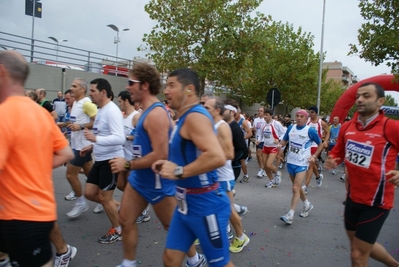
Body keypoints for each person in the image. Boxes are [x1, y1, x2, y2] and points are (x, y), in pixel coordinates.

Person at [110, 64, 205, 267]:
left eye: (131, 83)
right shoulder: (145, 111)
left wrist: (127, 164)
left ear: (144, 85)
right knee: (125, 220)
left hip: (159, 184)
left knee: (173, 228)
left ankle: (195, 259)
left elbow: (160, 154)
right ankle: (128, 263)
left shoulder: (156, 113)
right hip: (139, 180)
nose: (128, 87)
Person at [0, 51, 75, 266]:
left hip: (19, 217)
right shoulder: (39, 113)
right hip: (39, 212)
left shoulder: (4, 114)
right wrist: (34, 167)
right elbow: (65, 153)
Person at [153, 68, 234, 267]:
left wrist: (179, 171)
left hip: (205, 205)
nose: (166, 91)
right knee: (170, 260)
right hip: (185, 205)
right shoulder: (183, 118)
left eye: (171, 85)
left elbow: (216, 157)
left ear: (189, 90)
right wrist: (167, 164)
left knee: (220, 264)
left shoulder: (195, 117)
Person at [325, 82, 399, 267]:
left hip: (377, 202)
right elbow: (338, 152)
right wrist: (333, 158)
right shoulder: (347, 127)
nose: (359, 99)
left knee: (358, 255)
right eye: (358, 95)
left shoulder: (391, 127)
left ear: (380, 101)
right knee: (360, 247)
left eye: (366, 96)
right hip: (352, 198)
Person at [81, 78, 125, 244]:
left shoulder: (112, 111)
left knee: (105, 198)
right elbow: (104, 135)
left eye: (92, 91)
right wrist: (91, 146)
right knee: (90, 193)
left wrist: (96, 139)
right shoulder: (101, 110)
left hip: (111, 160)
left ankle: (118, 230)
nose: (90, 93)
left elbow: (120, 138)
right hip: (99, 159)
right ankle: (118, 206)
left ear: (103, 92)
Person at [204, 97, 250, 253]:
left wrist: (209, 158)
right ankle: (219, 232)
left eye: (207, 108)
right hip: (214, 175)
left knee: (228, 209)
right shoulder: (212, 125)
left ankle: (241, 236)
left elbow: (230, 153)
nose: (204, 110)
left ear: (217, 110)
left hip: (223, 175)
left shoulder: (223, 127)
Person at [277, 109, 324, 225]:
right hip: (291, 162)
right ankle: (307, 204)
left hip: (302, 163)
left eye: (301, 116)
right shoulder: (291, 128)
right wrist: (279, 145)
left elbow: (321, 144)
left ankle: (290, 214)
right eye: (297, 116)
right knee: (296, 187)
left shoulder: (310, 130)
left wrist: (314, 156)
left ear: (306, 118)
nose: (298, 118)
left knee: (295, 188)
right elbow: (284, 141)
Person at [64, 78, 99, 217]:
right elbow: (77, 122)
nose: (71, 88)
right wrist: (65, 125)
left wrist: (81, 126)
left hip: (82, 147)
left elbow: (98, 121)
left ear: (82, 89)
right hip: (79, 144)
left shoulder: (86, 103)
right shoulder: (77, 103)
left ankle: (81, 202)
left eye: (74, 86)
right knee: (92, 176)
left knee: (70, 175)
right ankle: (103, 200)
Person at [116, 90, 150, 224]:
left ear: (125, 101)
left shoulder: (136, 117)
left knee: (133, 186)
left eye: (120, 101)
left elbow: (144, 135)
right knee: (120, 185)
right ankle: (136, 204)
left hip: (133, 158)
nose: (119, 104)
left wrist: (129, 137)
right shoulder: (123, 117)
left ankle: (143, 210)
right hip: (123, 157)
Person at [303, 105, 329, 194]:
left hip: (316, 145)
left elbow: (327, 132)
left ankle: (305, 186)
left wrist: (325, 141)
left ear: (316, 113)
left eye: (312, 112)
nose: (310, 114)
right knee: (311, 163)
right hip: (307, 145)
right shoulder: (307, 121)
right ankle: (318, 176)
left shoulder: (321, 123)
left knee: (310, 164)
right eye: (309, 112)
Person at [260, 109, 286, 188]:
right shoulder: (263, 124)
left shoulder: (276, 123)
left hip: (273, 147)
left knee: (269, 164)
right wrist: (259, 140)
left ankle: (277, 173)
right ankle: (271, 180)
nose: (265, 116)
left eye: (267, 115)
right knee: (265, 165)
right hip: (265, 146)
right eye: (264, 115)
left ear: (271, 115)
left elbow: (284, 133)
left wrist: (279, 139)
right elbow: (261, 135)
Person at [253, 107, 266, 177]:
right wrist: (253, 130)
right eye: (259, 111)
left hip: (263, 139)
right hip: (257, 139)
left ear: (264, 112)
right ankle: (262, 168)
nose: (259, 112)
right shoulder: (255, 120)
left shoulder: (265, 120)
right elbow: (254, 128)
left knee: (259, 154)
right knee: (258, 156)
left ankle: (261, 169)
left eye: (261, 111)